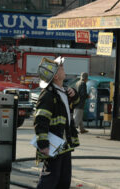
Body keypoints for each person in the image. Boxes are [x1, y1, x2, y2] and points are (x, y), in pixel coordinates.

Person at [34, 56, 80, 189]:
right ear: (55, 76)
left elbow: (76, 103)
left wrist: (74, 94)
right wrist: (43, 145)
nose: (63, 69)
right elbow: (40, 120)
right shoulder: (48, 95)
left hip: (64, 145)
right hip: (53, 145)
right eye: (61, 68)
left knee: (63, 181)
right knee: (49, 180)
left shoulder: (64, 91)